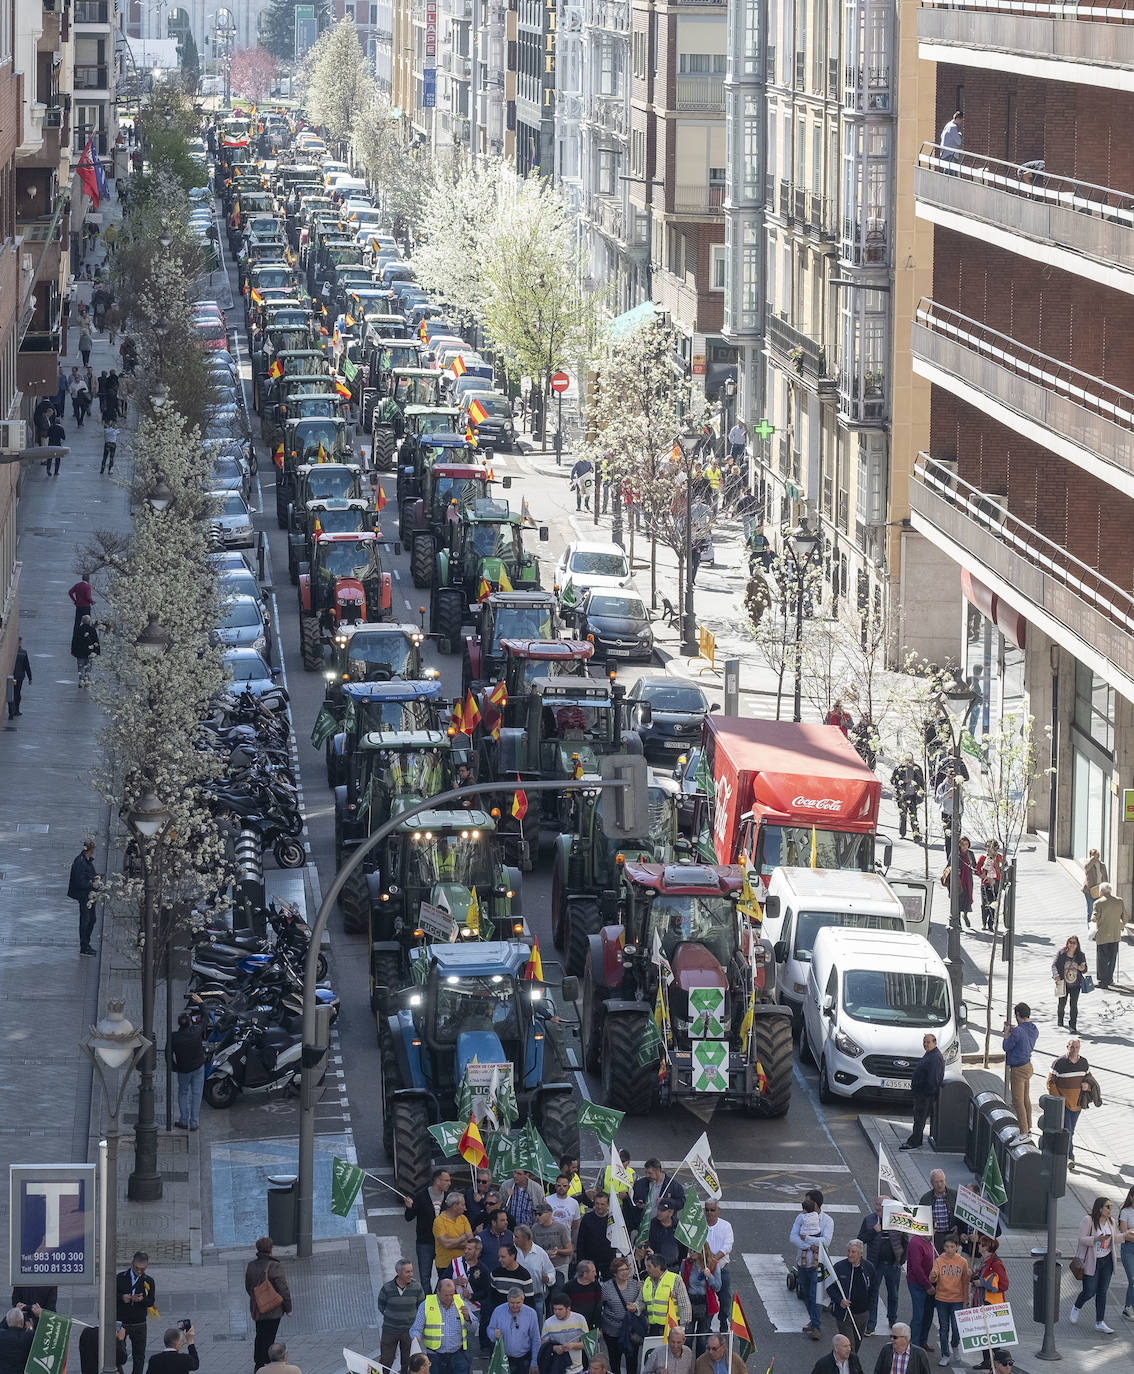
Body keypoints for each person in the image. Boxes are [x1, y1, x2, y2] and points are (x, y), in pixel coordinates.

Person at [857, 1198, 906, 1336]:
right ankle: (871, 1325)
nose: (878, 1207)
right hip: (875, 1264)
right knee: (873, 1294)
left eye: (882, 1205)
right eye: (877, 1204)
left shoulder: (897, 1219)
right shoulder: (869, 1220)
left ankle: (892, 1319)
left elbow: (905, 1240)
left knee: (894, 1295)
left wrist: (902, 1259)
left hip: (893, 1264)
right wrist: (873, 1231)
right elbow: (860, 1240)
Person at [244, 1237, 292, 1374]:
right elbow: (283, 1289)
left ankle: (258, 1363)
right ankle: (266, 1365)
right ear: (270, 1250)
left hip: (258, 1308)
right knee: (269, 1337)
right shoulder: (275, 1266)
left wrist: (257, 1299)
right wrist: (288, 1308)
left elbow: (248, 1287)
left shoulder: (251, 1265)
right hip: (273, 1309)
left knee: (260, 1335)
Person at [1069, 1197, 1115, 1332]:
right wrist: (1096, 1239)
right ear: (1100, 1208)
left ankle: (1100, 1322)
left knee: (1102, 1291)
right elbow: (1081, 1239)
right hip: (1091, 1261)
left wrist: (1124, 1235)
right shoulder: (1088, 1220)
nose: (1110, 1210)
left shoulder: (1111, 1222)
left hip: (1106, 1261)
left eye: (1110, 1207)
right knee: (1089, 1291)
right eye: (1107, 1207)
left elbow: (1114, 1239)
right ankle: (1076, 1307)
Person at [790, 1193, 832, 1340]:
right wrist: (810, 1246)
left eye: (807, 1201)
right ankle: (813, 1319)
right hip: (802, 1263)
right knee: (806, 1294)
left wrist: (807, 1239)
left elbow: (826, 1241)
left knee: (815, 1295)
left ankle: (815, 1325)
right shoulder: (800, 1217)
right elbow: (793, 1237)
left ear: (815, 1204)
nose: (804, 1203)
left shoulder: (827, 1221)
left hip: (817, 1265)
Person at [410, 1277, 473, 1374]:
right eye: (446, 1295)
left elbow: (474, 1328)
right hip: (435, 1357)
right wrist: (415, 1338)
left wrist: (468, 1318)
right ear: (438, 1292)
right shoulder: (426, 1305)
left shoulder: (461, 1304)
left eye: (451, 1294)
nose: (449, 1298)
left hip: (458, 1355)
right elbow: (416, 1328)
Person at [405, 1168, 453, 1293]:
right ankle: (428, 1301)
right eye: (446, 1180)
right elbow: (409, 1217)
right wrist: (409, 1207)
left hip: (443, 1243)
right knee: (425, 1276)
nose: (449, 1183)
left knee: (444, 1273)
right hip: (425, 1242)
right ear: (437, 1181)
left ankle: (438, 1296)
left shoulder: (449, 1197)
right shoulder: (421, 1196)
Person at [377, 1258, 425, 1374]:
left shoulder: (417, 1287)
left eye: (411, 1271)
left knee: (408, 1362)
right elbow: (381, 1306)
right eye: (407, 1272)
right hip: (390, 1331)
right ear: (398, 1273)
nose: (411, 1274)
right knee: (386, 1360)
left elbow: (422, 1307)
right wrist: (393, 1317)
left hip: (409, 1331)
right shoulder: (387, 1288)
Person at [927, 1235, 970, 1366]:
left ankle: (955, 1345)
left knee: (956, 1328)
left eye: (952, 1246)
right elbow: (932, 1277)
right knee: (943, 1328)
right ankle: (945, 1354)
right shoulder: (939, 1260)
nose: (949, 1249)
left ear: (957, 1247)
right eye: (946, 1246)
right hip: (942, 1299)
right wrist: (933, 1276)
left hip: (957, 1299)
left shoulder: (962, 1261)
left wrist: (966, 1299)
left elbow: (965, 1282)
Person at [827, 1241, 874, 1353]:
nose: (850, 1254)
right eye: (848, 1251)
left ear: (861, 1253)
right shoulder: (839, 1267)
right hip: (845, 1314)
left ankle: (843, 1362)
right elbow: (830, 1287)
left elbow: (874, 1290)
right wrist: (840, 1301)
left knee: (856, 1346)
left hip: (862, 1314)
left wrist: (870, 1309)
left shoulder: (869, 1267)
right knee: (849, 1347)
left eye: (853, 1252)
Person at [968, 1238, 1009, 1369]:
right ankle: (987, 1361)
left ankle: (999, 1362)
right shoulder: (984, 1262)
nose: (978, 1246)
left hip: (991, 1303)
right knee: (983, 1333)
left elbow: (1003, 1284)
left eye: (980, 1244)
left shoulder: (996, 1263)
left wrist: (983, 1283)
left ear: (985, 1247)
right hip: (983, 1301)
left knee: (992, 1335)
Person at [1001, 1002, 1039, 1141]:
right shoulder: (1034, 1028)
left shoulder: (1017, 1031)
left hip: (1017, 1069)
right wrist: (1013, 1029)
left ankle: (1023, 1132)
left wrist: (1006, 1034)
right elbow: (1023, 1034)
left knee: (1017, 1100)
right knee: (1026, 1099)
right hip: (1028, 1066)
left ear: (1017, 1015)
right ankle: (1028, 1127)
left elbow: (1006, 1046)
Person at [599, 1256, 643, 1374]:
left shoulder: (636, 1285)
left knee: (632, 1360)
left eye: (627, 1269)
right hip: (612, 1330)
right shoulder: (606, 1287)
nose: (625, 1272)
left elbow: (642, 1302)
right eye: (621, 1270)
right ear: (614, 1272)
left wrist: (636, 1305)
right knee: (615, 1359)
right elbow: (600, 1306)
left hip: (631, 1330)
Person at [902, 1034, 945, 1150]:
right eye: (924, 1042)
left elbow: (933, 1078)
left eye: (928, 1042)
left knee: (920, 1119)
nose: (925, 1044)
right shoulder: (930, 1054)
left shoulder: (935, 1057)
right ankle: (916, 1140)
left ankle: (914, 1142)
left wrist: (926, 1093)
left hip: (925, 1095)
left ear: (934, 1042)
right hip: (922, 1094)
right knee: (918, 1118)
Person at [116, 1252, 155, 1374]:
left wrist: (142, 1299)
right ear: (132, 1264)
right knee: (118, 1352)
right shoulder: (121, 1277)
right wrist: (122, 1297)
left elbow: (151, 1301)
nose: (139, 1272)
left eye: (142, 1269)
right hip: (122, 1321)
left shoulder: (148, 1281)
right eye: (137, 1268)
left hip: (139, 1323)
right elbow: (111, 1296)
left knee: (139, 1355)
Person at [488, 1287, 540, 1374]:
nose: (515, 1306)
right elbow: (490, 1329)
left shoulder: (531, 1313)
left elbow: (535, 1339)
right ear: (507, 1300)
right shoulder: (498, 1311)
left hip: (524, 1360)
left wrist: (534, 1362)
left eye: (518, 1303)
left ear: (523, 1301)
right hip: (503, 1360)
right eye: (512, 1303)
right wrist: (494, 1334)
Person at [170, 1011, 207, 1131]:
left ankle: (184, 1120)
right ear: (190, 1023)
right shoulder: (196, 1032)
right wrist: (201, 1004)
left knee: (183, 1093)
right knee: (196, 1094)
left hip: (183, 1070)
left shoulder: (174, 1037)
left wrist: (174, 1067)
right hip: (198, 1068)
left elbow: (167, 1054)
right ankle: (194, 1122)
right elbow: (205, 1018)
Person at [641, 1253, 690, 1336]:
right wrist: (635, 1307)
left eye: (649, 1266)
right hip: (653, 1328)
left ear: (658, 1267)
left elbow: (684, 1304)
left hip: (671, 1327)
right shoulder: (647, 1281)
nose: (646, 1269)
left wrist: (682, 1328)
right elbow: (641, 1300)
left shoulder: (675, 1279)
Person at [919, 1171, 970, 1252]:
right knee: (937, 1259)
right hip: (936, 1236)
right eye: (936, 1182)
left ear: (945, 1180)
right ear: (932, 1183)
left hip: (951, 1234)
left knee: (951, 1259)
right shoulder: (925, 1199)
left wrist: (959, 1228)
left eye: (941, 1181)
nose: (939, 1184)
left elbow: (963, 1215)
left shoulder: (955, 1195)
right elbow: (920, 1218)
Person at [514, 1227, 556, 1324]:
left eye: (517, 1237)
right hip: (517, 1298)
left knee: (538, 1325)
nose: (514, 1239)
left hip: (536, 1297)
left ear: (526, 1238)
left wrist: (548, 1278)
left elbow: (551, 1271)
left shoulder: (540, 1253)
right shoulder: (512, 1251)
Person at [703, 1198, 733, 1332]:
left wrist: (714, 1260)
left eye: (712, 1210)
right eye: (707, 1210)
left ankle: (723, 1319)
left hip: (721, 1269)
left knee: (725, 1298)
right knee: (706, 1299)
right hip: (704, 1269)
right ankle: (706, 1325)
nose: (709, 1213)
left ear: (718, 1210)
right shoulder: (700, 1226)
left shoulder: (726, 1226)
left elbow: (727, 1246)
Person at [540, 1292, 588, 1374]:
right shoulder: (548, 1323)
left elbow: (587, 1343)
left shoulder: (580, 1319)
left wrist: (572, 1346)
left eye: (560, 1309)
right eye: (555, 1309)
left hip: (578, 1368)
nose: (557, 1312)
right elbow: (543, 1345)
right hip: (557, 1368)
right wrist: (555, 1348)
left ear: (568, 1308)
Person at [1090, 882, 1127, 989]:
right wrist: (1121, 926)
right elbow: (1125, 917)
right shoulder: (1119, 901)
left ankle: (1103, 981)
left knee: (1102, 958)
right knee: (1112, 957)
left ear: (1101, 891)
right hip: (1115, 935)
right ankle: (1110, 979)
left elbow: (1094, 917)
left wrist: (1093, 921)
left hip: (1103, 935)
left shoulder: (1098, 903)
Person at [681, 1251, 720, 1351]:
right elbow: (681, 1283)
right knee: (687, 1337)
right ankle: (687, 1362)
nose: (690, 1252)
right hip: (689, 1303)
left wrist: (710, 1276)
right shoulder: (686, 1263)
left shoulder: (714, 1265)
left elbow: (717, 1287)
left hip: (706, 1305)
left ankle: (700, 1363)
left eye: (693, 1250)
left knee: (702, 1339)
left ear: (702, 1251)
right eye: (689, 1250)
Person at [630, 1161, 684, 1231]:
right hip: (644, 1226)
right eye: (646, 1172)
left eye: (650, 1173)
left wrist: (666, 1201)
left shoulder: (672, 1185)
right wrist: (638, 1203)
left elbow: (681, 1202)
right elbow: (634, 1198)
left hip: (663, 1228)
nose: (647, 1175)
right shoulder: (640, 1184)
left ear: (658, 1171)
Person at [905, 1234, 936, 1353]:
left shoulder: (929, 1241)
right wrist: (927, 1285)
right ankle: (914, 1345)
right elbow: (917, 1267)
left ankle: (923, 1341)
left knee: (928, 1314)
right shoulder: (916, 1242)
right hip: (918, 1284)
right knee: (919, 1315)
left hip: (931, 1284)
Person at [69, 838, 99, 955]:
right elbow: (80, 882)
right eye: (92, 851)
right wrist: (92, 882)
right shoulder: (80, 862)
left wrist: (96, 878)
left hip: (90, 895)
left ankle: (86, 943)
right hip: (84, 896)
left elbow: (89, 875)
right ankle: (84, 945)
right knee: (86, 920)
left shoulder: (87, 861)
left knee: (91, 919)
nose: (93, 853)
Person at [434, 1193, 474, 1282]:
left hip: (462, 1263)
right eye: (462, 1204)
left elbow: (471, 1241)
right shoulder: (439, 1221)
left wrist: (452, 1242)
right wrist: (463, 1237)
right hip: (445, 1264)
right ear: (455, 1206)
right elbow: (446, 1244)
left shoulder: (463, 1219)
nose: (465, 1207)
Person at [1051, 937, 1088, 1032]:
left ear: (1077, 945)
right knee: (1062, 1003)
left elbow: (1085, 969)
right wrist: (1056, 976)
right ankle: (1060, 1020)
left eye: (1074, 943)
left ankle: (1073, 1025)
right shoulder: (1062, 954)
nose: (1072, 945)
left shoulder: (1080, 955)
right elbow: (1054, 965)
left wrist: (1082, 969)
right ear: (1067, 943)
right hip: (1063, 983)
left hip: (1076, 985)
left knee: (1074, 1005)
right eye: (1070, 942)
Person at [575, 1192, 615, 1279]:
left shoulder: (612, 1220)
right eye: (597, 1203)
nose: (599, 1206)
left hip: (608, 1261)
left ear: (608, 1205)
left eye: (602, 1204)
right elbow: (580, 1240)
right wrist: (580, 1260)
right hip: (590, 1261)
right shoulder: (587, 1218)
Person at [532, 1202, 572, 1285]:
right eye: (535, 1214)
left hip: (560, 1266)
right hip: (543, 1268)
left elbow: (569, 1250)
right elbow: (532, 1250)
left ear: (549, 1213)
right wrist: (545, 1253)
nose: (537, 1217)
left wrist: (557, 1251)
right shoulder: (534, 1228)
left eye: (540, 1214)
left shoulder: (561, 1228)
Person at [891, 756, 926, 843]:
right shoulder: (899, 769)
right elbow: (893, 780)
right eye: (908, 761)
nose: (910, 763)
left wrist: (921, 792)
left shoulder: (917, 769)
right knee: (903, 815)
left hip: (913, 795)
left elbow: (922, 782)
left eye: (911, 760)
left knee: (913, 815)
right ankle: (902, 833)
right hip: (902, 795)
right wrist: (902, 781)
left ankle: (916, 835)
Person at [491, 1243, 536, 1310]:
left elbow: (529, 1301)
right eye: (499, 1257)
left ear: (512, 1256)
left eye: (503, 1257)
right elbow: (492, 1296)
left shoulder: (524, 1275)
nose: (499, 1260)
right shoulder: (495, 1273)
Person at [565, 1262, 602, 1331]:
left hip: (590, 1325)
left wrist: (598, 1326)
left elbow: (598, 1307)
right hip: (573, 1325)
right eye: (593, 1271)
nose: (595, 1274)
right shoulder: (569, 1287)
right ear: (585, 1274)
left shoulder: (596, 1286)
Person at [0, 1307, 38, 1374]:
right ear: (22, 1322)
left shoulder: (2, 1335)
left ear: (7, 1321)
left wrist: (12, 1312)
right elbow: (39, 1336)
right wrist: (31, 1327)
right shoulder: (29, 1336)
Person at [976, 840, 1003, 931]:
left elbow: (1003, 868)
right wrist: (981, 874)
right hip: (986, 882)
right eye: (990, 849)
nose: (992, 851)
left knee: (994, 903)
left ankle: (991, 924)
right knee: (985, 903)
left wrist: (995, 862)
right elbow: (977, 870)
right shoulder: (983, 858)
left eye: (995, 849)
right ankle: (984, 922)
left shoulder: (999, 857)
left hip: (996, 882)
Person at [1117, 1185, 1134, 1320]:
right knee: (1133, 1279)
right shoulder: (1125, 1212)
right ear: (1131, 1197)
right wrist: (1129, 1233)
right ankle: (1129, 1308)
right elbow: (1124, 1234)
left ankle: (1127, 1308)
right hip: (1128, 1249)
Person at [480, 1209, 515, 1275]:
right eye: (502, 1220)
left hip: (507, 1277)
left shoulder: (510, 1235)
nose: (506, 1222)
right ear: (493, 1222)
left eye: (506, 1220)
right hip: (488, 1279)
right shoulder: (481, 1238)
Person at [71, 614, 100, 688]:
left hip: (80, 652)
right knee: (88, 667)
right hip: (89, 652)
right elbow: (96, 641)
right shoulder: (92, 630)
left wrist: (73, 651)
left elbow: (74, 641)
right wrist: (97, 651)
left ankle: (81, 681)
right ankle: (87, 681)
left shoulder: (78, 629)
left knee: (80, 667)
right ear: (89, 621)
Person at [1081, 848, 1107, 925]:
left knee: (1099, 911)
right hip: (1089, 891)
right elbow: (1086, 868)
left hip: (1099, 891)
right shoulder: (1088, 863)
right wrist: (1093, 859)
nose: (1096, 856)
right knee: (1090, 910)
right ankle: (1090, 930)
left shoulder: (1102, 865)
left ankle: (1097, 929)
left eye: (1097, 855)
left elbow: (1105, 878)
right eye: (1094, 855)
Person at [9, 637, 31, 719]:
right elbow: (27, 666)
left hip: (12, 677)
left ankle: (12, 710)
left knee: (12, 693)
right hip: (20, 678)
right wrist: (30, 677)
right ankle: (16, 710)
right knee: (17, 693)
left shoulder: (11, 652)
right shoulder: (23, 653)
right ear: (20, 643)